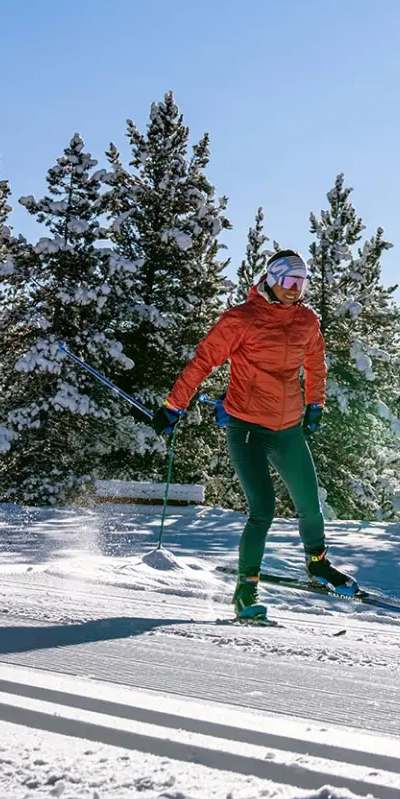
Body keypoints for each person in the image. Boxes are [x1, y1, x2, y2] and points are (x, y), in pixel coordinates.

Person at [152, 249, 356, 623]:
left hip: (288, 428)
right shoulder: (242, 319)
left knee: (310, 504)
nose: (295, 289)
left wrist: (316, 403)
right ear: (272, 280)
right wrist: (173, 405)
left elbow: (315, 364)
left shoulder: (307, 320)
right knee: (263, 509)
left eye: (301, 282)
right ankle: (245, 591)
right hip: (247, 428)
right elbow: (203, 361)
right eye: (289, 281)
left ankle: (317, 563)